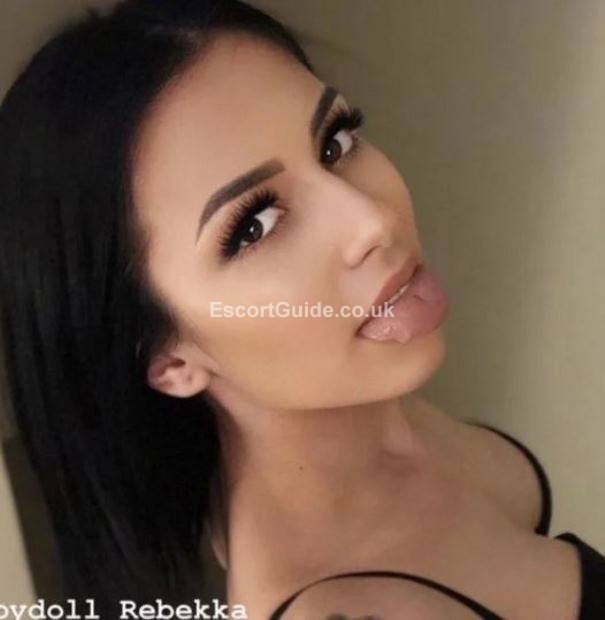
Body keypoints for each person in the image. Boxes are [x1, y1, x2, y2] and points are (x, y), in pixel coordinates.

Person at [0, 1, 603, 618]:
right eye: (254, 226)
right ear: (168, 360)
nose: (372, 220)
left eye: (336, 142)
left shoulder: (376, 418)